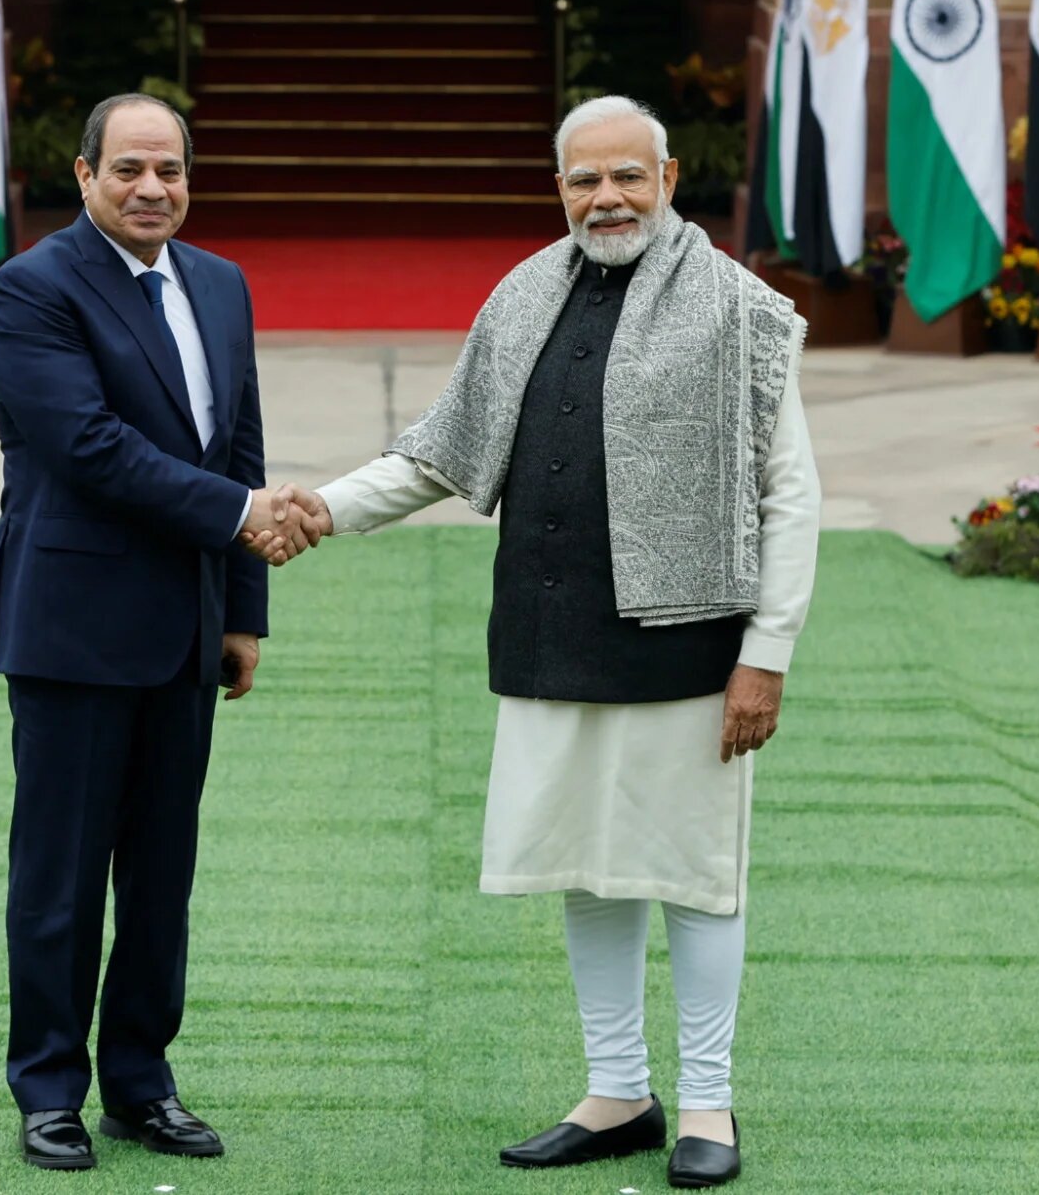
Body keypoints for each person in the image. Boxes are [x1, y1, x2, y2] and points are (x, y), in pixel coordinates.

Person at [255, 94, 820, 1190]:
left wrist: (768, 652)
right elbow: (444, 450)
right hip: (550, 630)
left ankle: (707, 1101)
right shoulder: (523, 294)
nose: (607, 198)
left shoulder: (740, 309)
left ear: (668, 179)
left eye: (627, 175)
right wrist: (326, 507)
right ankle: (618, 1092)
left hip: (688, 643)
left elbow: (789, 495)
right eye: (583, 179)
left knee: (695, 876)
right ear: (558, 189)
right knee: (586, 867)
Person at [0, 91, 310, 1172]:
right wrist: (243, 513)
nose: (152, 188)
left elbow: (238, 440)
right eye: (128, 169)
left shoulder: (220, 282)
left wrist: (244, 609)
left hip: (187, 632)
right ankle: (48, 1090)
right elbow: (87, 446)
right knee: (61, 879)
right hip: (73, 632)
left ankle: (141, 1083)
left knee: (161, 877)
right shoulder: (30, 289)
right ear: (84, 175)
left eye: (169, 169)